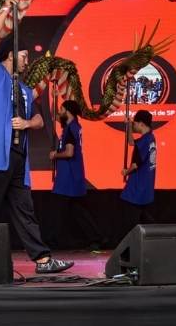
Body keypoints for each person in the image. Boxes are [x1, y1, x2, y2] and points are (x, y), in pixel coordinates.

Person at [0, 1, 73, 274]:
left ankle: (42, 260)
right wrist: (6, 11)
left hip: (18, 158)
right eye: (24, 55)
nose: (28, 60)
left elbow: (39, 120)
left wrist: (26, 122)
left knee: (24, 209)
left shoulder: (25, 88)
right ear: (10, 55)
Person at [46, 100, 104, 249]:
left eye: (61, 109)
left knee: (57, 211)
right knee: (78, 211)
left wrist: (55, 155)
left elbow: (69, 152)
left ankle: (52, 241)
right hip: (73, 176)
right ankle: (95, 239)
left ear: (68, 111)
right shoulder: (73, 127)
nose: (59, 112)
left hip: (68, 178)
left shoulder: (71, 129)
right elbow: (57, 118)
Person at [120, 110, 157, 233]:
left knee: (130, 219)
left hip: (137, 188)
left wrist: (126, 172)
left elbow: (135, 165)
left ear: (141, 124)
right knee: (143, 216)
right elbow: (131, 142)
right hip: (146, 187)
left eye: (135, 123)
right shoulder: (150, 138)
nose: (134, 125)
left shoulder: (143, 142)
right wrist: (129, 126)